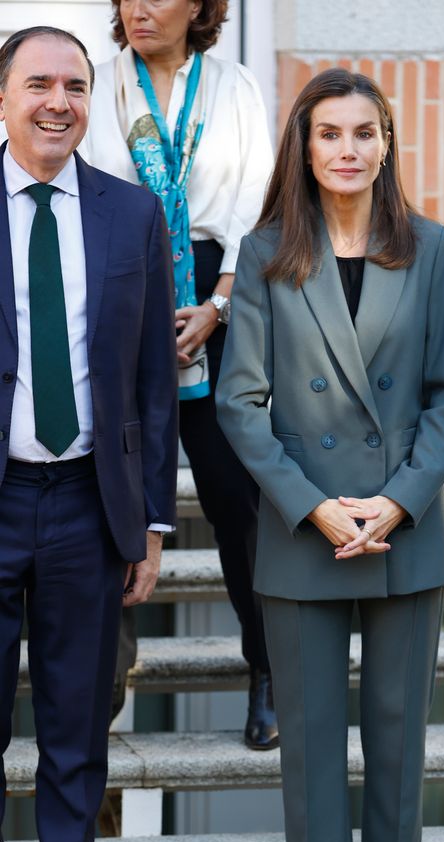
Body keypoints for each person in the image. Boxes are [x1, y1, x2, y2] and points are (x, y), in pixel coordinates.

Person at [216, 68, 444, 842]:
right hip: (303, 527)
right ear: (305, 145)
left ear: (387, 143)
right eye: (330, 134)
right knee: (314, 736)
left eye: (365, 132)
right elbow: (241, 404)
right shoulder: (268, 251)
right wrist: (315, 504)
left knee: (398, 736)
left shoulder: (429, 248)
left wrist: (398, 501)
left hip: (403, 528)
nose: (348, 149)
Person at [0, 26, 177, 842]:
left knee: (77, 729)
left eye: (74, 84)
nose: (59, 101)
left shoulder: (129, 215)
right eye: (38, 84)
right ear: (4, 96)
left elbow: (155, 379)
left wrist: (150, 521)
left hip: (83, 510)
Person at [81, 0, 277, 750]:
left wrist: (217, 307)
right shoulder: (96, 85)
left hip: (212, 294)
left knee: (239, 499)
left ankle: (266, 671)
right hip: (115, 288)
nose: (139, 8)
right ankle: (107, 677)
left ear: (198, 5)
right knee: (111, 491)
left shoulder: (234, 89)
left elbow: (259, 208)